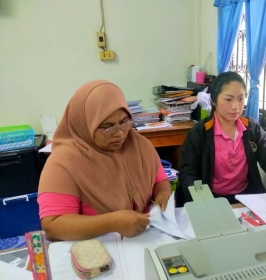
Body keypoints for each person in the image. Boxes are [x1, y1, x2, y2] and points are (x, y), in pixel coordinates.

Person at [38, 80, 172, 241]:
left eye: (124, 122)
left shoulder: (138, 144)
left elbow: (160, 180)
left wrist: (163, 193)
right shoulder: (64, 162)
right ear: (85, 124)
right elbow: (53, 226)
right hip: (96, 250)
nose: (120, 134)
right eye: (108, 127)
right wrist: (111, 223)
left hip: (143, 239)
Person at [177, 72, 266, 205]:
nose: (236, 106)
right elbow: (187, 173)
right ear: (214, 100)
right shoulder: (200, 132)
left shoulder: (251, 128)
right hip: (211, 200)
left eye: (241, 99)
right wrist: (203, 200)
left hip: (246, 198)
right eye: (228, 99)